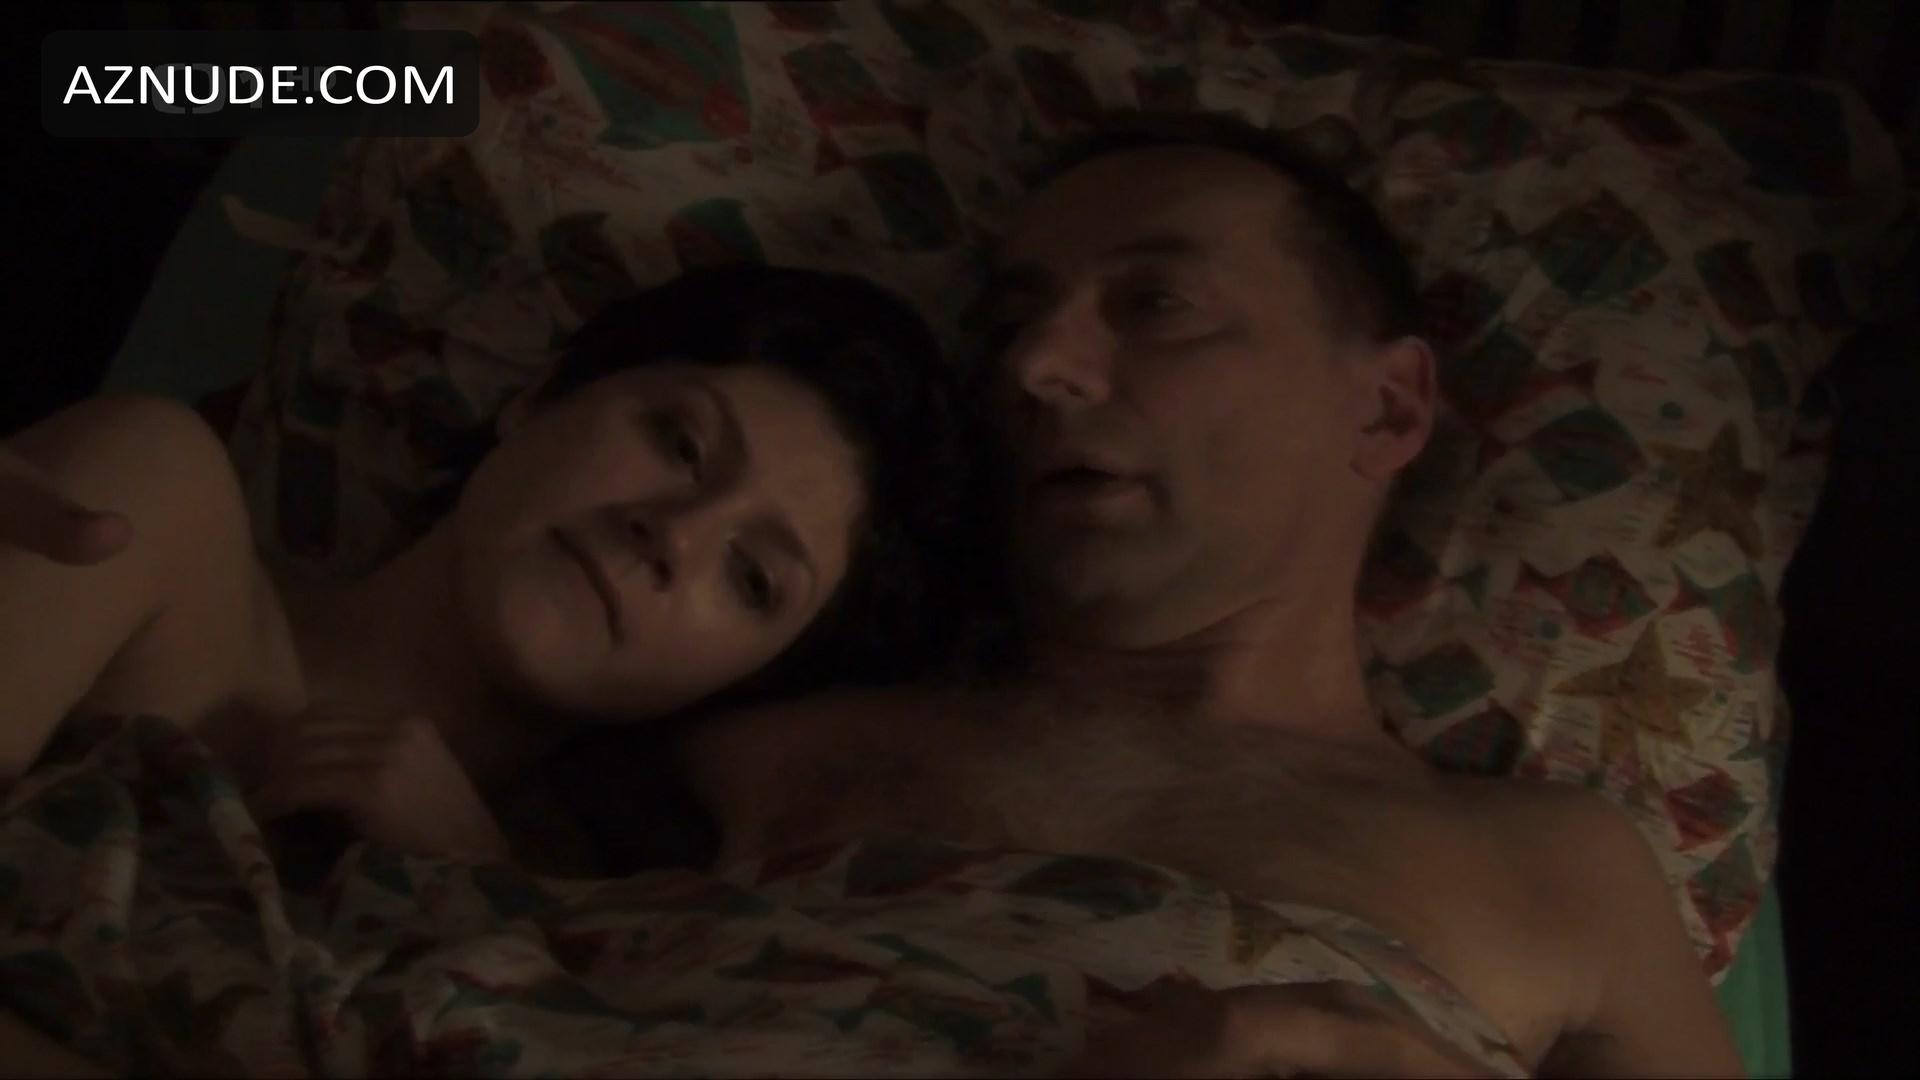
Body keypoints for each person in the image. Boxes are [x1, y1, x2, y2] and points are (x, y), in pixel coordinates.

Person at [7, 116, 1745, 1076]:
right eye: (1010, 327)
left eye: (1154, 305)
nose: (1041, 371)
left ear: (1389, 406)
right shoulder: (751, 728)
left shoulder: (1562, 869)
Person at [1, 264, 979, 866]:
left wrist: (478, 902)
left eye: (753, 578)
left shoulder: (578, 952)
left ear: (746, 684)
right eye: (680, 443)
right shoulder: (153, 508)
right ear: (540, 396)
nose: (676, 534)